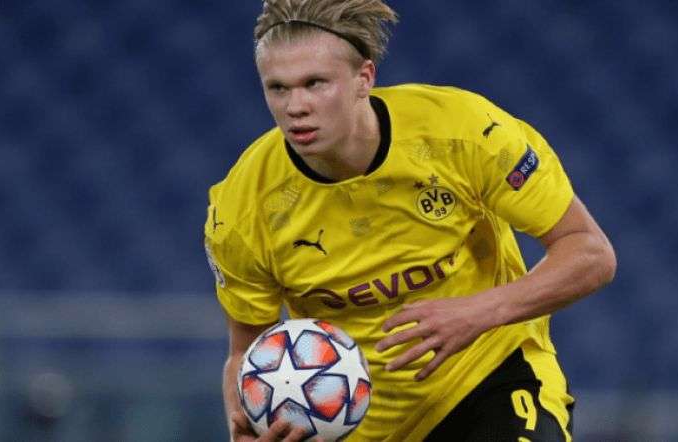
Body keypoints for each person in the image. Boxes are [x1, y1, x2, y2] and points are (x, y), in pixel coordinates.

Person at [203, 0, 617, 440]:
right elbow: (246, 351)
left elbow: (590, 252)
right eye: (278, 88)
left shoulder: (463, 133)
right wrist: (245, 424)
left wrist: (478, 313)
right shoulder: (243, 209)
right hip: (355, 428)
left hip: (490, 376)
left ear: (364, 78)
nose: (295, 106)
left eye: (315, 83)